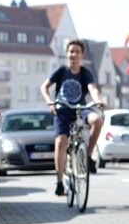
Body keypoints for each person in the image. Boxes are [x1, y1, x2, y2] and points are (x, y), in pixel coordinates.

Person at [40, 39, 107, 196]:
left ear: (82, 54)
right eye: (71, 51)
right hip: (63, 109)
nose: (74, 54)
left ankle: (88, 156)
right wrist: (50, 103)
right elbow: (44, 87)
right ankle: (59, 182)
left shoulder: (85, 73)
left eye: (77, 52)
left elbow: (93, 88)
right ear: (67, 53)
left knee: (97, 120)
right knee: (61, 142)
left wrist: (97, 100)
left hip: (80, 108)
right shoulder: (61, 71)